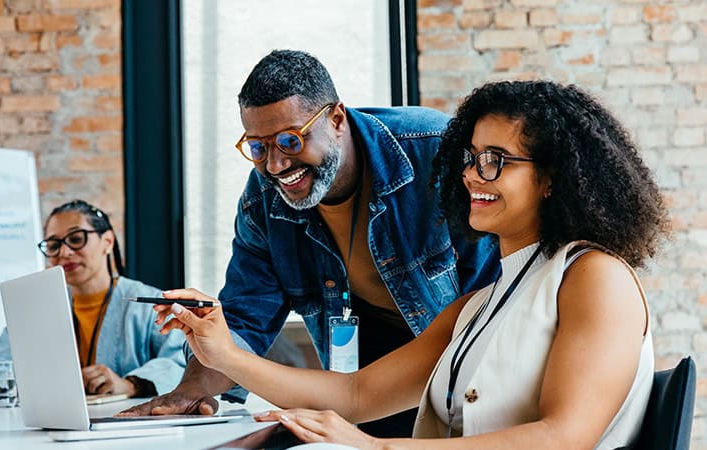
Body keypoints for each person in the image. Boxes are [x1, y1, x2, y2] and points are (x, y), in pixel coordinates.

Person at [150, 80, 671, 449]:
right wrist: (224, 352)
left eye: (495, 160)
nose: (472, 174)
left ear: (554, 176)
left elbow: (564, 437)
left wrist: (375, 448)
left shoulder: (593, 276)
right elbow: (356, 394)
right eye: (470, 158)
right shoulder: (479, 306)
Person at [120, 49, 500, 437]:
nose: (275, 165)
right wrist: (191, 389)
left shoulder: (435, 153)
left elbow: (491, 302)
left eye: (290, 140)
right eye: (258, 147)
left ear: (336, 119)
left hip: (462, 371)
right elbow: (245, 321)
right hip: (359, 383)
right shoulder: (263, 201)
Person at [0, 200, 186, 397]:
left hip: (128, 418)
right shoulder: (38, 310)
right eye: (54, 245)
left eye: (76, 239)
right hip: (56, 418)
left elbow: (181, 361)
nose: (64, 252)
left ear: (107, 242)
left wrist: (130, 385)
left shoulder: (151, 304)